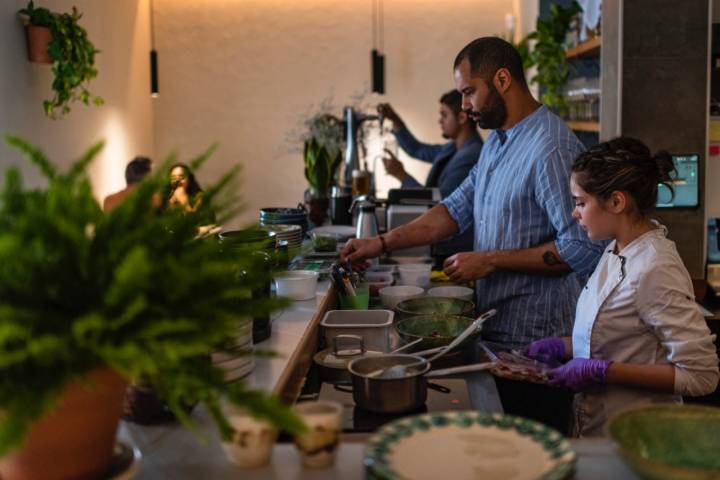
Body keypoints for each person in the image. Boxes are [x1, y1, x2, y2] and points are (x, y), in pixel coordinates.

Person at [341, 37, 605, 433]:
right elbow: (453, 209)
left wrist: (491, 260)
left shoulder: (549, 147)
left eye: (469, 92)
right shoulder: (498, 141)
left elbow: (582, 249)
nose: (464, 105)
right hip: (498, 334)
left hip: (536, 343)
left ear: (501, 80)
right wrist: (380, 243)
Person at [525, 138, 719, 437]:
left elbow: (701, 376)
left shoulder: (656, 267)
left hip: (641, 437)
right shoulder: (616, 247)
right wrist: (564, 346)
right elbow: (624, 337)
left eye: (580, 202)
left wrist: (602, 371)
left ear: (616, 202)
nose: (575, 213)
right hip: (598, 426)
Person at [378, 91, 482, 256]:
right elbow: (417, 149)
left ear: (462, 118)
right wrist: (395, 119)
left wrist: (401, 175)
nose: (439, 120)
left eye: (444, 115)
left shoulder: (471, 155)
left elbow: (439, 202)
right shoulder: (453, 148)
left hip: (452, 248)